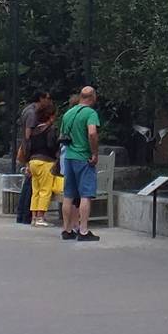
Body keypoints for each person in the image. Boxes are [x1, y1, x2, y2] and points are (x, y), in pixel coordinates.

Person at [58, 85, 101, 242]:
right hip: (83, 157)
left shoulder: (68, 113)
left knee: (69, 195)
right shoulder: (90, 113)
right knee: (85, 195)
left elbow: (63, 134)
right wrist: (94, 153)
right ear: (92, 97)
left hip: (68, 157)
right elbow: (92, 133)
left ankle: (67, 229)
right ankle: (83, 231)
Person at [14, 90, 51, 224]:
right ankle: (24, 215)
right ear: (41, 98)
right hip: (31, 152)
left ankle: (23, 215)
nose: (48, 101)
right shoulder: (32, 113)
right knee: (31, 185)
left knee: (30, 184)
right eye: (47, 98)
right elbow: (29, 135)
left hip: (28, 150)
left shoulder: (27, 110)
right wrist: (28, 157)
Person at [23, 96, 59, 226]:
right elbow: (51, 146)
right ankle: (41, 217)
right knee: (45, 190)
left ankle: (33, 217)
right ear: (50, 116)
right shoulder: (50, 130)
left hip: (33, 162)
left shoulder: (34, 130)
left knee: (36, 190)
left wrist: (27, 162)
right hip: (46, 162)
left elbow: (28, 146)